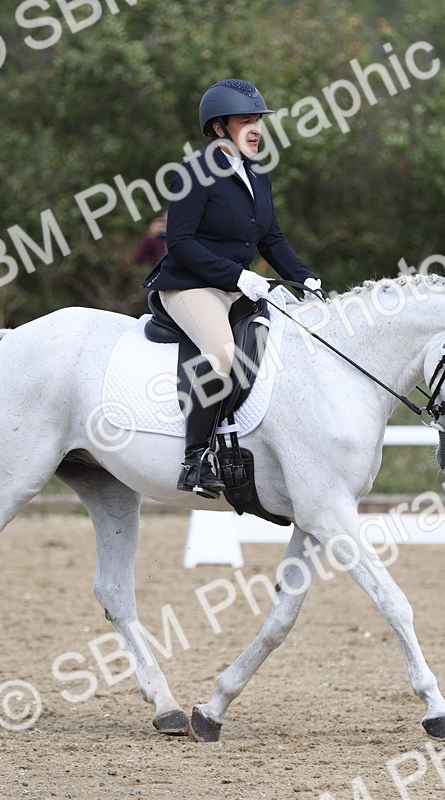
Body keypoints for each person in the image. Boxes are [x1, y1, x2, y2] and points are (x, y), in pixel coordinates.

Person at [142, 78, 324, 498]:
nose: (257, 130)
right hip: (191, 286)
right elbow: (181, 243)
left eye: (258, 121)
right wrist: (238, 277)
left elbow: (271, 239)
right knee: (222, 353)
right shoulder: (193, 173)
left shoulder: (257, 175)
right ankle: (195, 459)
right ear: (220, 128)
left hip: (236, 288)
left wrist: (305, 277)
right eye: (246, 122)